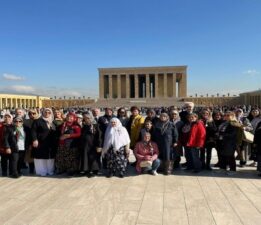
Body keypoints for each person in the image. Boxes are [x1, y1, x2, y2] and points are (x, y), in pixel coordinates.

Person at [31, 108, 57, 176]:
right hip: (41, 143)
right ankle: (42, 172)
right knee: (41, 158)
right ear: (43, 113)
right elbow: (33, 131)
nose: (47, 113)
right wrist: (35, 139)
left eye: (49, 112)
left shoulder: (53, 122)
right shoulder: (38, 121)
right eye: (46, 112)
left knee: (50, 158)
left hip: (51, 144)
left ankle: (50, 171)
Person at [0, 113, 20, 178]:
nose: (7, 118)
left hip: (12, 145)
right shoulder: (1, 125)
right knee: (4, 159)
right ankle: (4, 172)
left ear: (11, 118)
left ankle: (12, 172)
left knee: (12, 159)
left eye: (9, 117)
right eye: (5, 117)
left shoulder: (14, 126)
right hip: (2, 145)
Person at [24, 109, 39, 174]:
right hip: (29, 142)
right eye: (30, 113)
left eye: (34, 113)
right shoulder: (26, 122)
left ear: (37, 114)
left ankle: (39, 169)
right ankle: (31, 170)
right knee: (30, 157)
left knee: (38, 156)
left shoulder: (40, 121)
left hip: (39, 141)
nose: (32, 115)